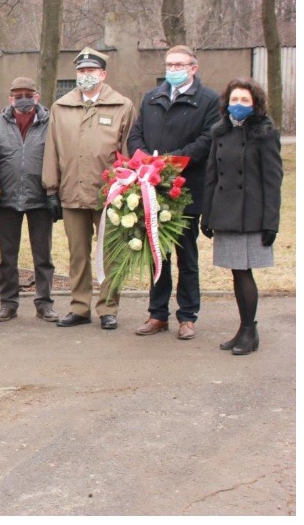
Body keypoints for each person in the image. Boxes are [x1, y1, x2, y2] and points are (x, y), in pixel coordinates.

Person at [127, 45, 220, 340]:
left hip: (186, 189)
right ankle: (157, 314)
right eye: (169, 64)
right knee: (157, 254)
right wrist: (144, 161)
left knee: (186, 256)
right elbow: (135, 133)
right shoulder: (152, 97)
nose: (173, 69)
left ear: (193, 68)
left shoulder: (209, 100)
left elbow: (207, 141)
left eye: (179, 64)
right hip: (152, 187)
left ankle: (188, 316)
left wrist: (170, 163)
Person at [41, 47, 136, 330]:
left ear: (103, 75)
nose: (86, 76)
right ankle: (80, 307)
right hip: (72, 191)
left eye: (91, 71)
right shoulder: (61, 107)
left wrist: (129, 188)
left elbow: (129, 150)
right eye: (81, 72)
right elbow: (52, 150)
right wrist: (50, 189)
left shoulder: (122, 106)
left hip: (110, 194)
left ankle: (108, 308)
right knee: (77, 254)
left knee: (109, 254)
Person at [201, 78, 282, 355]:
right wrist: (207, 215)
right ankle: (245, 328)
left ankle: (250, 331)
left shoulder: (266, 134)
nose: (238, 105)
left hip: (250, 215)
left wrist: (272, 221)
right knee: (236, 273)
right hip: (225, 213)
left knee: (245, 273)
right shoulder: (219, 132)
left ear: (255, 104)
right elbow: (211, 175)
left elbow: (273, 180)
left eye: (244, 100)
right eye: (234, 100)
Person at [0, 77, 58, 323]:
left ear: (37, 96)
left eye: (28, 94)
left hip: (41, 198)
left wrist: (54, 192)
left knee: (43, 256)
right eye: (18, 95)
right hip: (7, 198)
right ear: (10, 98)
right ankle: (8, 304)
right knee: (8, 257)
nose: (23, 99)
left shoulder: (51, 123)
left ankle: (45, 303)